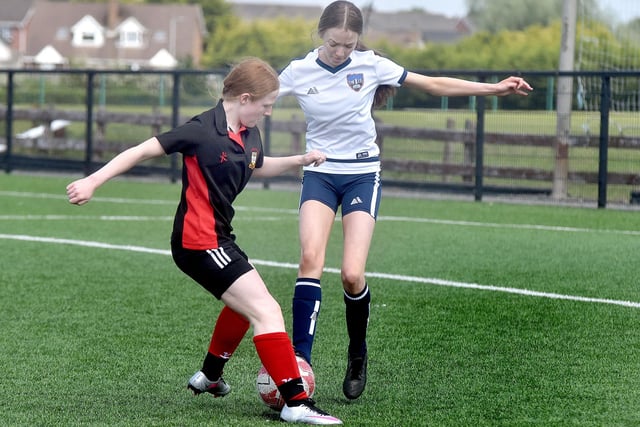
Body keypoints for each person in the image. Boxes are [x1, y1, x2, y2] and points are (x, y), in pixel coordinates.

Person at [277, 0, 533, 401]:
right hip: (320, 174)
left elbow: (433, 84)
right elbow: (252, 98)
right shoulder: (298, 71)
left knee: (350, 274)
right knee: (310, 258)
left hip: (362, 173)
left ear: (358, 41)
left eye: (349, 45)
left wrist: (495, 87)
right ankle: (298, 365)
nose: (341, 52)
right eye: (333, 44)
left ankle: (357, 354)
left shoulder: (373, 65)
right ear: (320, 34)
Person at [66, 57, 342, 425]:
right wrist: (92, 181)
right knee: (267, 311)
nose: (270, 112)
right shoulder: (200, 129)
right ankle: (295, 401)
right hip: (198, 242)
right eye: (267, 105)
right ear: (245, 98)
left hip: (221, 238)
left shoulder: (248, 133)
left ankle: (210, 376)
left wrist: (301, 159)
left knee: (247, 305)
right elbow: (139, 151)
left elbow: (257, 164)